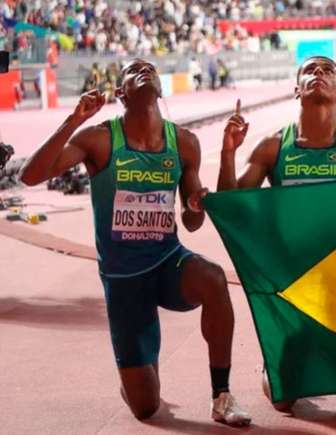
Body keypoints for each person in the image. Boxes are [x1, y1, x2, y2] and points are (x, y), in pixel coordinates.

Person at [19, 59, 251, 426]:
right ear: (120, 93)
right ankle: (137, 372)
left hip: (167, 261)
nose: (144, 70)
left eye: (150, 68)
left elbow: (192, 222)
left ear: (160, 88)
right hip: (124, 277)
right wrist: (74, 120)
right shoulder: (99, 138)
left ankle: (221, 395)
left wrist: (194, 204)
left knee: (213, 277)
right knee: (147, 408)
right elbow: (29, 175)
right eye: (132, 69)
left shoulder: (184, 143)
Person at [216, 55, 336, 411]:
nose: (318, 74)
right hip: (293, 281)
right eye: (309, 71)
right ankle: (293, 350)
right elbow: (233, 206)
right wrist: (228, 153)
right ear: (297, 89)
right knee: (282, 398)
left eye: (328, 71)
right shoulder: (274, 146)